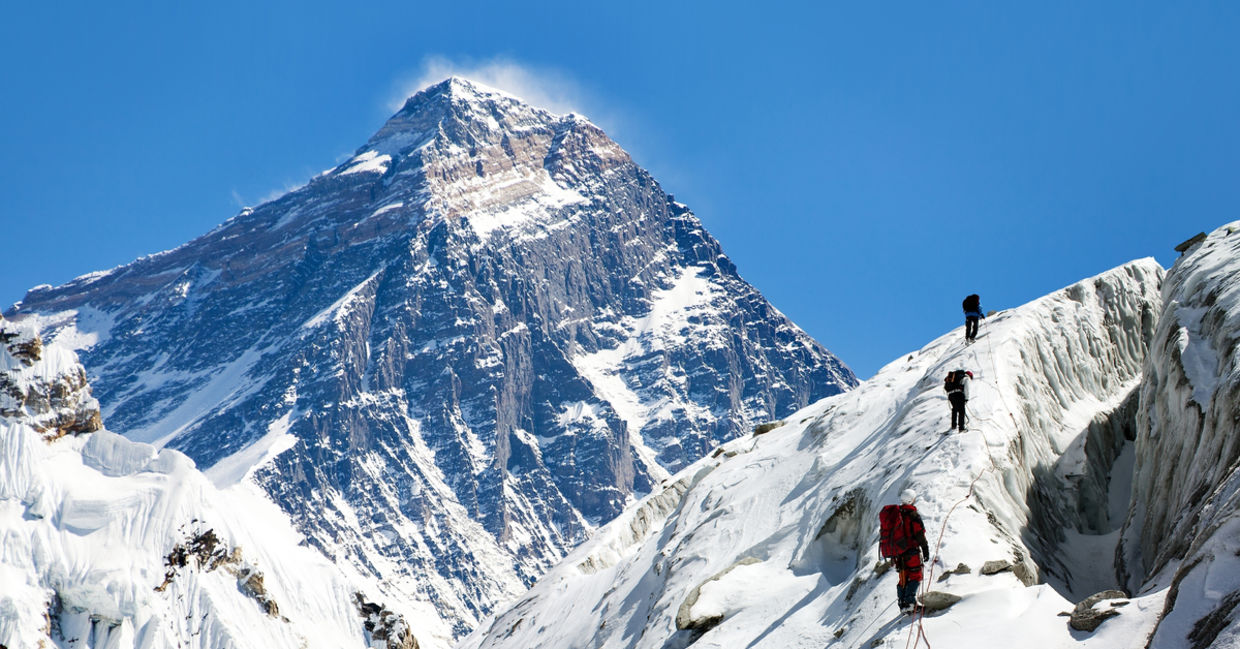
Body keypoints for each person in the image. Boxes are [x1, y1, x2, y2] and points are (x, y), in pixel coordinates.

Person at [892, 489, 930, 614]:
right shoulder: (913, 515)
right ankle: (909, 602)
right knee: (915, 575)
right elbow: (920, 534)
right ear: (911, 500)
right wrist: (925, 549)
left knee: (903, 576)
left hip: (899, 554)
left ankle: (902, 603)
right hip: (911, 551)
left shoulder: (896, 514)